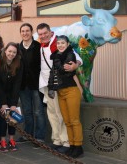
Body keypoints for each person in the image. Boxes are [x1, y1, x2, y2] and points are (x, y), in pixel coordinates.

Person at [37, 23, 83, 154]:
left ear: (50, 32)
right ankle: (57, 140)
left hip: (61, 85)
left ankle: (67, 142)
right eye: (40, 34)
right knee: (52, 114)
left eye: (45, 33)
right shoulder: (40, 46)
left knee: (61, 115)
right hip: (47, 84)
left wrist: (75, 65)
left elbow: (77, 58)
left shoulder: (59, 43)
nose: (43, 36)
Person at [47, 35, 83, 158]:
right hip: (61, 91)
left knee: (74, 120)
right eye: (58, 43)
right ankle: (72, 146)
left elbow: (64, 70)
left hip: (71, 90)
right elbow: (54, 72)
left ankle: (78, 146)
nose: (60, 45)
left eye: (63, 43)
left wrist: (74, 64)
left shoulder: (70, 54)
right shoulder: (57, 56)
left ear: (67, 44)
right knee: (67, 121)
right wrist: (51, 87)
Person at [17, 23, 47, 144]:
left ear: (31, 32)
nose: (25, 33)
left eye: (27, 31)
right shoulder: (17, 48)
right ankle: (27, 135)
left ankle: (39, 137)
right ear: (20, 33)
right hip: (23, 86)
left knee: (38, 112)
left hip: (36, 85)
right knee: (27, 111)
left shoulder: (39, 47)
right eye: (23, 31)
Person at [0, 42, 23, 152]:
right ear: (5, 51)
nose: (11, 54)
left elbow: (17, 83)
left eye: (14, 52)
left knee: (13, 116)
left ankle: (11, 139)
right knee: (3, 117)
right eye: (10, 51)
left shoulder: (19, 63)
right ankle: (2, 141)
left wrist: (14, 103)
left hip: (12, 94)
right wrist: (3, 102)